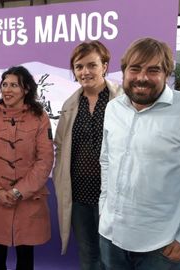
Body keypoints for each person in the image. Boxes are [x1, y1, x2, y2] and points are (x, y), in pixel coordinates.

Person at [99, 37, 180, 270]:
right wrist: (104, 210)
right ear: (124, 72)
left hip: (163, 246)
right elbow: (107, 161)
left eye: (153, 70)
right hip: (111, 237)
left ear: (167, 74)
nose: (142, 77)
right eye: (135, 69)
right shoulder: (113, 109)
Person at [0, 66, 54, 270]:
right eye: (4, 85)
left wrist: (19, 191)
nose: (7, 90)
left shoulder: (40, 117)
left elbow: (45, 160)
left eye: (14, 85)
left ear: (26, 89)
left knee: (25, 260)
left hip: (27, 200)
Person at [52, 41, 122, 269]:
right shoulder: (70, 104)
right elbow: (61, 146)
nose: (85, 72)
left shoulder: (122, 100)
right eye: (79, 66)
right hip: (79, 193)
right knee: (88, 252)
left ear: (105, 66)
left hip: (112, 194)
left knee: (113, 255)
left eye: (92, 65)